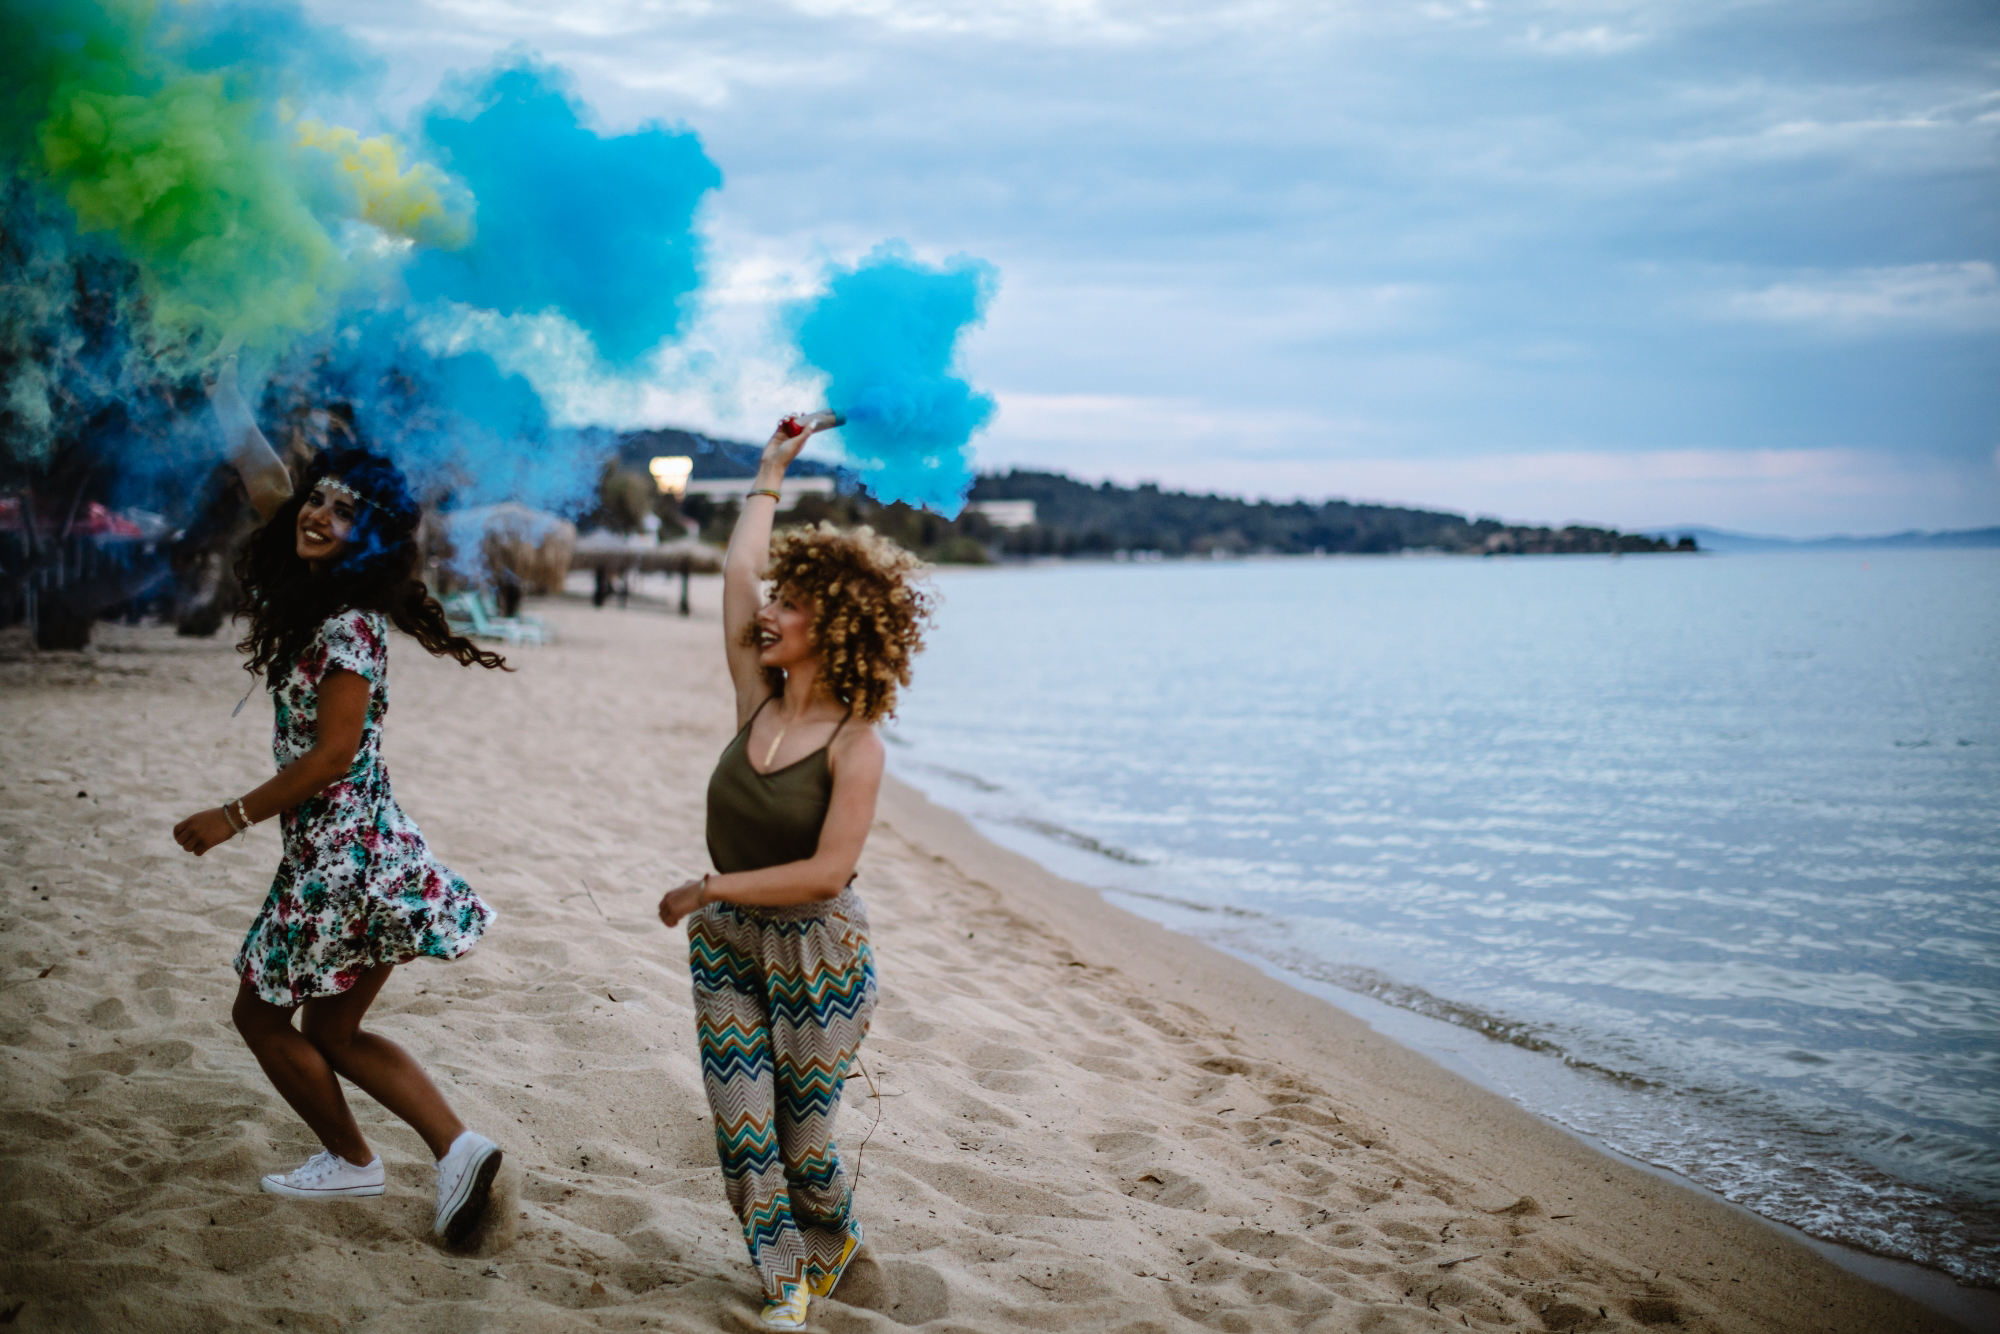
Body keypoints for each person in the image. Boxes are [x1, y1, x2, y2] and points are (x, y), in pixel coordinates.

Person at [172, 360, 507, 1246]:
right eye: (319, 501)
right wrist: (220, 385)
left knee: (259, 1011)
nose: (318, 515)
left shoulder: (347, 626)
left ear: (371, 540)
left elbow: (331, 757)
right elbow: (267, 479)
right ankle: (459, 1147)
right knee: (335, 1027)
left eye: (344, 512)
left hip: (342, 854)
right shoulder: (319, 595)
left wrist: (231, 815)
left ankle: (356, 1162)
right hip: (358, 847)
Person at [656, 417, 933, 1330]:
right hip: (730, 948)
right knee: (743, 1133)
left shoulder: (857, 746)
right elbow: (738, 575)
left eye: (791, 605)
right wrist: (772, 469)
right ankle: (785, 1284)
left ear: (838, 626)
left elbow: (826, 871)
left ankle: (837, 1242)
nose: (766, 613)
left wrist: (711, 887)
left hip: (820, 957)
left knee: (805, 1148)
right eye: (773, 602)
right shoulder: (755, 702)